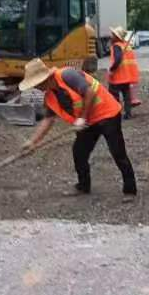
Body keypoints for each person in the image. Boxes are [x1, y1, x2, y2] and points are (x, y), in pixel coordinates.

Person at [20, 59, 137, 202]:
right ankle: (83, 186)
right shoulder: (50, 96)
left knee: (118, 152)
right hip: (88, 122)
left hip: (108, 114)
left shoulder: (67, 75)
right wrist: (32, 142)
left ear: (45, 78)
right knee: (79, 152)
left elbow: (90, 93)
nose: (36, 88)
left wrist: (82, 118)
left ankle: (130, 190)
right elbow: (48, 120)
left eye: (37, 84)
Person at [107, 27, 140, 120]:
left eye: (113, 35)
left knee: (114, 96)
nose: (111, 36)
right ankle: (128, 113)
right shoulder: (126, 46)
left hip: (118, 77)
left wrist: (111, 69)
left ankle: (115, 114)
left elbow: (117, 60)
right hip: (126, 77)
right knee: (126, 96)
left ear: (116, 37)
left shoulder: (116, 46)